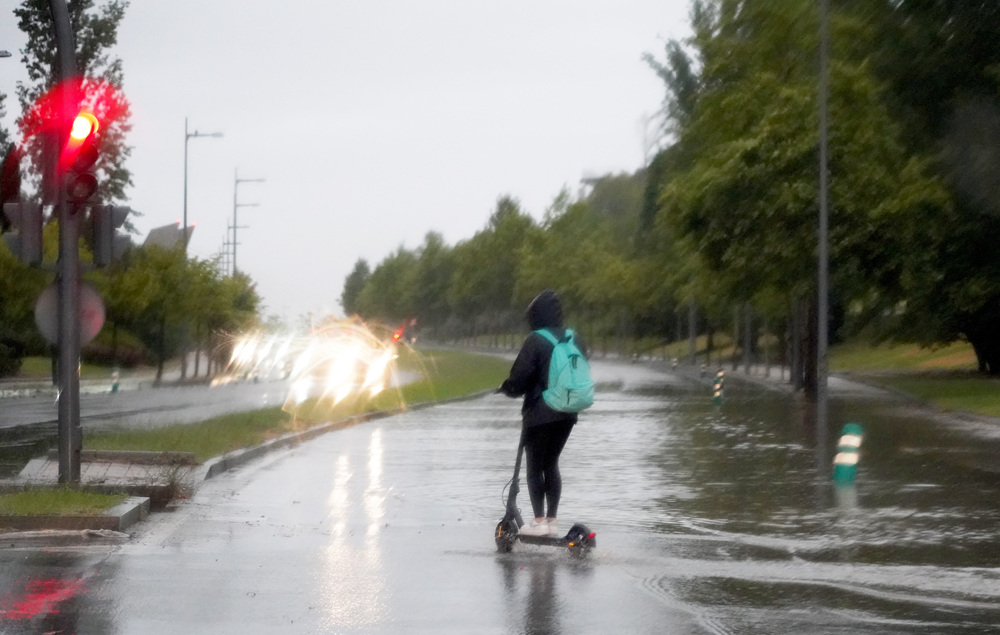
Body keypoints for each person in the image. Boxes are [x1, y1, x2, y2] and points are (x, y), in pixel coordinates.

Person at [498, 289, 587, 537]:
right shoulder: (574, 338)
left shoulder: (535, 340)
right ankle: (552, 521)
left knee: (535, 466)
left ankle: (539, 522)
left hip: (540, 413)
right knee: (552, 463)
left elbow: (519, 378)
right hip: (568, 412)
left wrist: (507, 389)